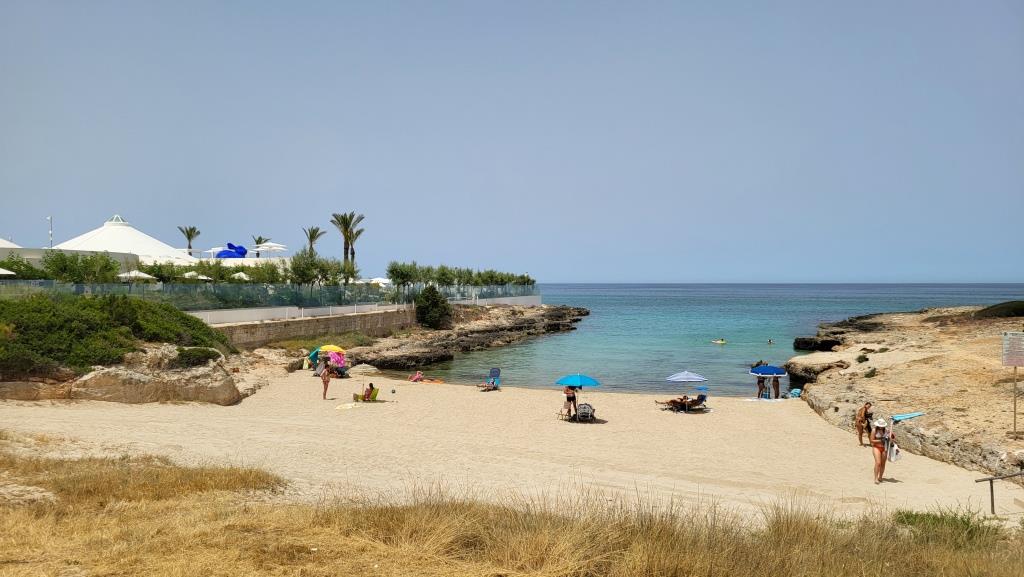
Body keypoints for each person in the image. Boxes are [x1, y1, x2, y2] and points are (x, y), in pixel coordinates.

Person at [869, 418, 894, 484]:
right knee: (878, 463)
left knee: (883, 464)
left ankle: (880, 477)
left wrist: (890, 438)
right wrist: (880, 440)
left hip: (884, 448)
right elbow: (871, 440)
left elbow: (891, 439)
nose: (881, 427)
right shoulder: (874, 430)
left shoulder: (887, 430)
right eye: (880, 426)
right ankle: (875, 478)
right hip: (876, 447)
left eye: (882, 426)